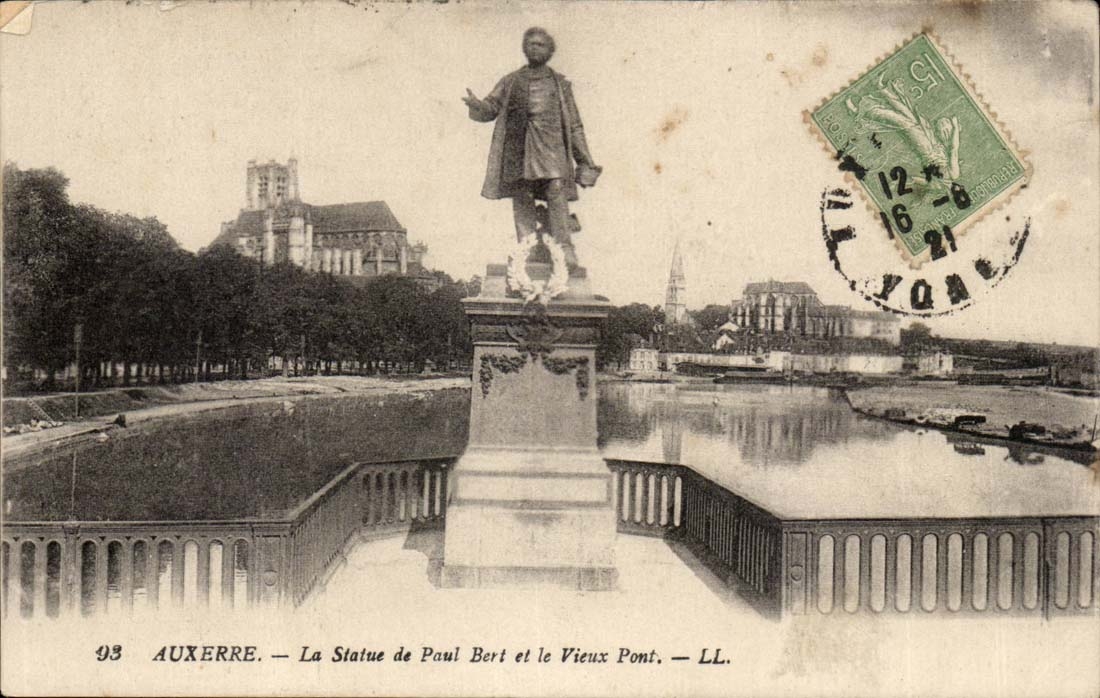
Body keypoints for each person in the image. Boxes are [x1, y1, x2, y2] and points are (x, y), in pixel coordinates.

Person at [463, 27, 600, 269]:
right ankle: (525, 248)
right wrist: (477, 105)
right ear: (524, 48)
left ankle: (564, 249)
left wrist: (585, 160)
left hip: (552, 149)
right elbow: (491, 107)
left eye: (541, 44)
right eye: (531, 44)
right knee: (522, 194)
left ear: (550, 51)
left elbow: (575, 125)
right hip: (519, 148)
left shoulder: (560, 85)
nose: (535, 48)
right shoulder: (511, 80)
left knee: (556, 191)